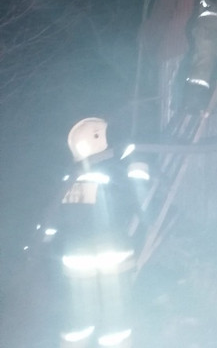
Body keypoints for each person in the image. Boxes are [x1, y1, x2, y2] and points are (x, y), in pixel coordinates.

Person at [40, 118, 151, 348]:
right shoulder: (110, 174)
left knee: (78, 318)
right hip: (112, 262)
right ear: (98, 139)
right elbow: (134, 201)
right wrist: (138, 168)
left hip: (76, 264)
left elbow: (54, 218)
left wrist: (47, 242)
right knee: (114, 321)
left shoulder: (68, 178)